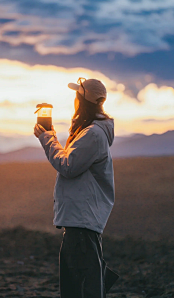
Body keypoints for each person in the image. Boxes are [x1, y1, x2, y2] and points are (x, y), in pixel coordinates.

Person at [34, 77, 116, 298]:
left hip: (81, 221)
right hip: (81, 220)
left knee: (80, 287)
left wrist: (47, 138)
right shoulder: (91, 131)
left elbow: (68, 166)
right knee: (84, 281)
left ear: (82, 100)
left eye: (77, 96)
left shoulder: (93, 134)